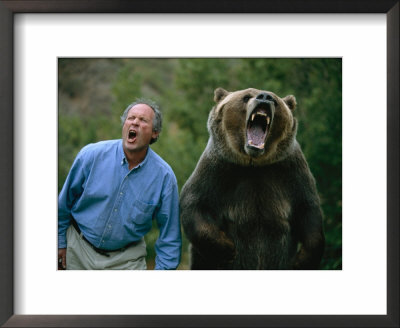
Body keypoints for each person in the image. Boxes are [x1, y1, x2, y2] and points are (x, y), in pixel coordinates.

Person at [58, 99, 181, 270]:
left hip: (126, 261)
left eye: (143, 120)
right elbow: (62, 206)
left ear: (155, 133)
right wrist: (59, 242)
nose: (135, 122)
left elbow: (170, 236)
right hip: (78, 250)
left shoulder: (164, 178)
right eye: (131, 118)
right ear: (124, 125)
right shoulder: (91, 156)